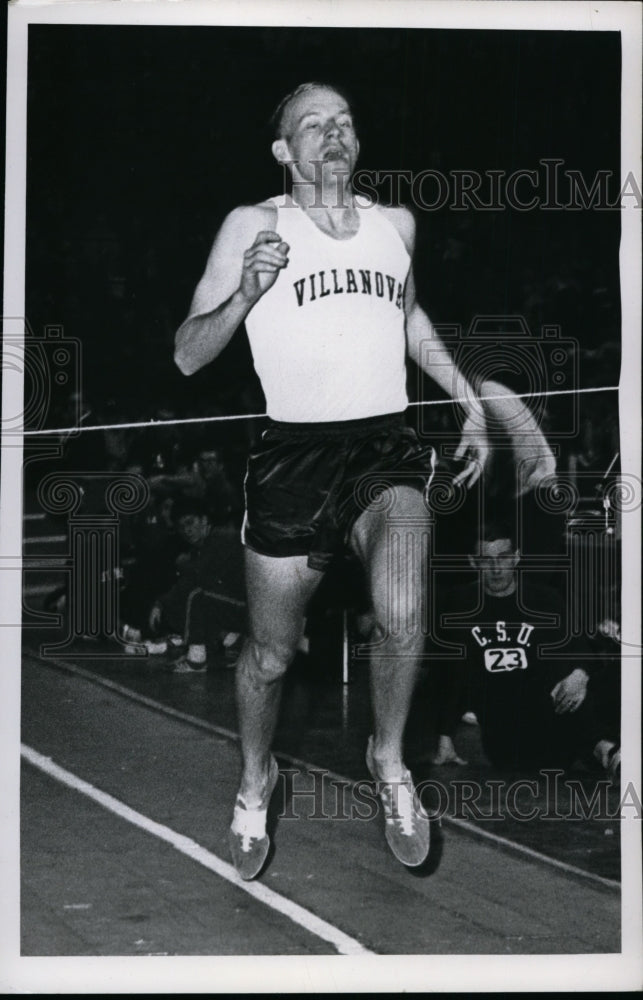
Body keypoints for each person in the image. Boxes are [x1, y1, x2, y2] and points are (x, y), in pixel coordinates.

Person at [174, 82, 549, 880]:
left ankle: (388, 764)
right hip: (291, 458)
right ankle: (254, 779)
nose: (331, 134)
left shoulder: (394, 225)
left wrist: (468, 402)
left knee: (405, 611)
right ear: (283, 151)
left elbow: (409, 320)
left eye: (342, 121)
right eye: (311, 125)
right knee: (271, 657)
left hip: (385, 448)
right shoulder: (253, 225)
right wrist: (246, 290)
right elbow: (187, 354)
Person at [430, 523, 620, 777]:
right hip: (513, 746)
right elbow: (454, 674)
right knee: (546, 668)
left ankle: (606, 750)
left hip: (559, 724)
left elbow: (578, 647)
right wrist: (445, 736)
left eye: (503, 558)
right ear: (473, 562)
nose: (496, 569)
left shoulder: (544, 599)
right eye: (486, 560)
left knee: (605, 670)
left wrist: (580, 675)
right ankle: (604, 749)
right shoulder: (460, 605)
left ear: (516, 557)